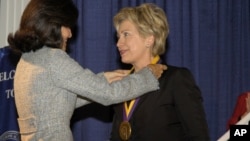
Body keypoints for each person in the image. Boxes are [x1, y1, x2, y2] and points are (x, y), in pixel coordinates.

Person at [7, 0, 167, 141]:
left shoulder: (27, 60)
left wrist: (105, 78)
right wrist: (148, 76)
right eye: (67, 26)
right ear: (52, 24)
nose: (70, 33)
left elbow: (58, 101)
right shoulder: (53, 58)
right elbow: (108, 94)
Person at [109, 3, 210, 141]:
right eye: (118, 36)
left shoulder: (175, 79)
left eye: (126, 34)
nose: (119, 43)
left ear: (149, 39)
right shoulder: (123, 84)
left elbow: (198, 136)